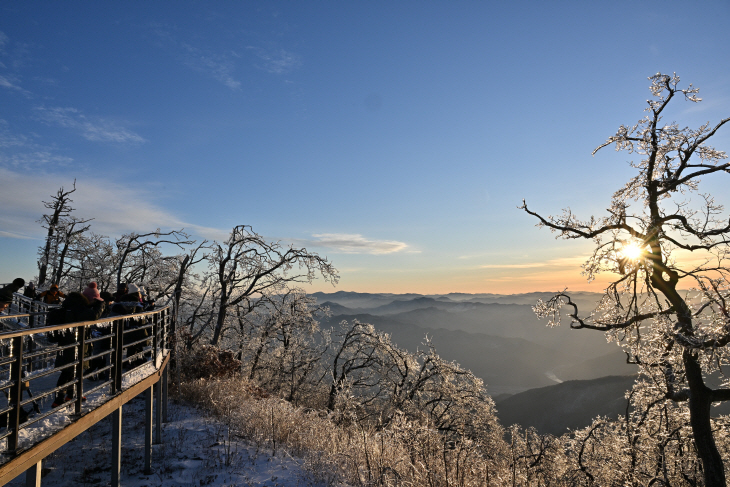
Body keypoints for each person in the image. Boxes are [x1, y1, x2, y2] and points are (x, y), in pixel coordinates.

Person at [50, 292, 105, 407]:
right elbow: (93, 316)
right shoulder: (78, 310)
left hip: (67, 344)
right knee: (68, 373)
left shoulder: (69, 308)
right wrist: (101, 304)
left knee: (72, 371)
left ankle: (71, 394)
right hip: (73, 344)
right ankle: (58, 400)